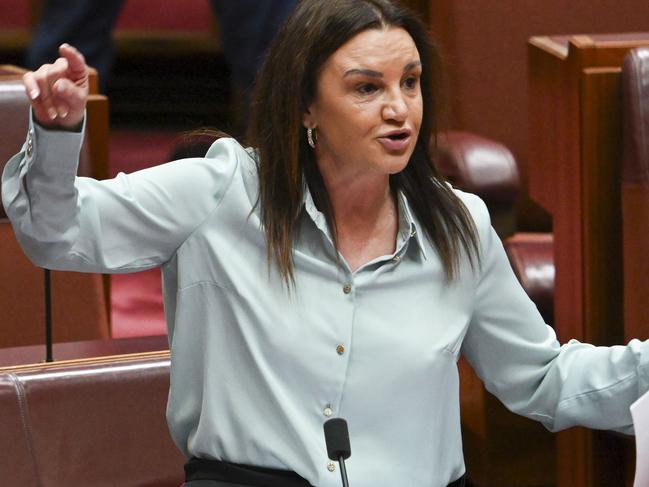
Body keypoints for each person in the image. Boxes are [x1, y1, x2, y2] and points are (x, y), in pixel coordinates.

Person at [3, 1, 648, 486]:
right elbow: (59, 233)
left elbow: (541, 378)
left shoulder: (460, 224)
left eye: (411, 83)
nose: (400, 109)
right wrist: (57, 135)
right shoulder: (222, 191)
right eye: (368, 88)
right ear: (306, 106)